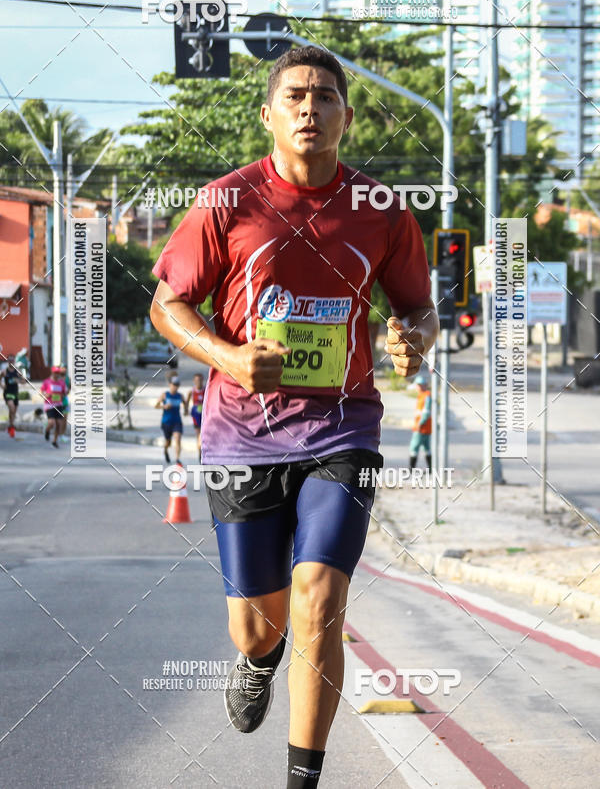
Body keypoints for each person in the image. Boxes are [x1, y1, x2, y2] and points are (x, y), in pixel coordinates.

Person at [149, 44, 439, 788]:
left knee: (321, 600)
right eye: (296, 96)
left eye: (326, 96)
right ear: (268, 115)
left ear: (347, 115)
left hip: (343, 430)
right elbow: (167, 304)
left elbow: (419, 308)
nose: (311, 108)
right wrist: (228, 356)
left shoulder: (381, 210)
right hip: (242, 435)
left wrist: (414, 339)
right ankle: (257, 660)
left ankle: (301, 780)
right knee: (258, 626)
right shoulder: (227, 202)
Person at [155, 374, 184, 465]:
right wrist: (164, 406)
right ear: (170, 384)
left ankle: (177, 459)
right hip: (166, 422)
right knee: (168, 442)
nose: (175, 387)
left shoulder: (180, 396)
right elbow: (156, 406)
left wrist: (186, 410)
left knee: (178, 438)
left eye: (177, 385)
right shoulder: (165, 395)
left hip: (177, 421)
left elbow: (185, 403)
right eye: (174, 384)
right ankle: (165, 449)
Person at [40, 366, 68, 448]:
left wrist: (62, 395)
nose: (57, 374)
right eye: (55, 373)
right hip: (49, 405)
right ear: (52, 372)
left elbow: (65, 393)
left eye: (58, 373)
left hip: (59, 404)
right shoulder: (47, 381)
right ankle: (47, 430)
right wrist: (46, 395)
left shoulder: (62, 382)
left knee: (59, 423)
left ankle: (54, 441)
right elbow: (41, 392)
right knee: (51, 423)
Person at [410, 374, 432, 471]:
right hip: (425, 427)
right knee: (427, 448)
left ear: (423, 385)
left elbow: (426, 413)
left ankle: (411, 468)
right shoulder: (422, 396)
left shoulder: (426, 396)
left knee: (414, 447)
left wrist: (420, 424)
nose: (417, 387)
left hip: (421, 427)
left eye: (418, 385)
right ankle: (430, 468)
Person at [185, 372, 205, 461]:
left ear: (202, 380)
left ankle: (203, 450)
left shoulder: (206, 390)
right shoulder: (191, 391)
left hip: (204, 415)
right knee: (198, 434)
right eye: (196, 380)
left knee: (204, 434)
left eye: (200, 380)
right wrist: (186, 410)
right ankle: (199, 452)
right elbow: (187, 401)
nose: (198, 382)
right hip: (196, 414)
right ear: (194, 381)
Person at [2, 354, 23, 437]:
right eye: (9, 360)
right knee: (12, 407)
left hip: (15, 393)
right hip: (8, 393)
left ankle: (10, 425)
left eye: (12, 360)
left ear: (14, 361)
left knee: (13, 411)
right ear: (7, 361)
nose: (11, 362)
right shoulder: (4, 371)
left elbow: (24, 381)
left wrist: (19, 380)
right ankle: (12, 427)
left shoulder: (17, 371)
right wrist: (2, 385)